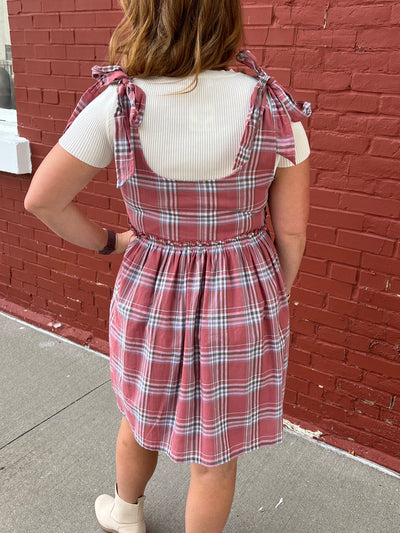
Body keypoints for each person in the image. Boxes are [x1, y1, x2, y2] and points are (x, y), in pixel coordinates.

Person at [24, 1, 311, 531]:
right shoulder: (273, 107)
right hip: (243, 295)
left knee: (139, 414)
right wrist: (272, 294)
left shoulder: (118, 104)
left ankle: (125, 513)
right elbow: (291, 232)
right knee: (217, 454)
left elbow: (42, 200)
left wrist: (110, 242)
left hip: (151, 289)